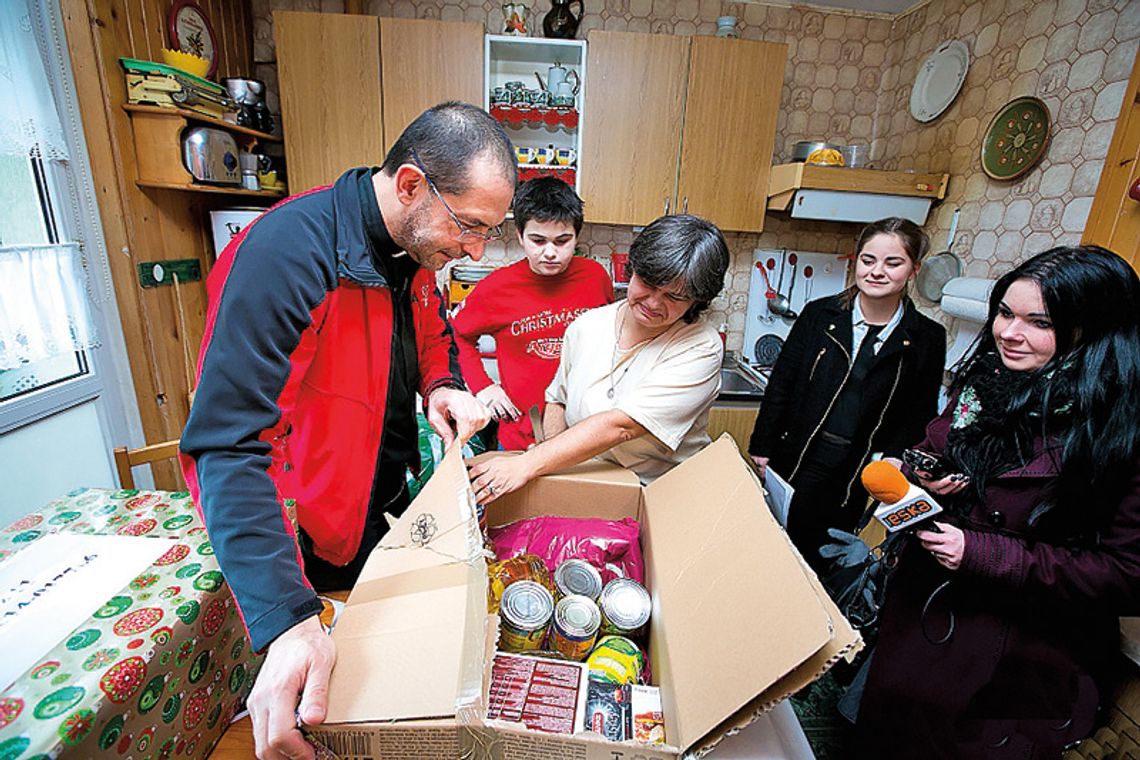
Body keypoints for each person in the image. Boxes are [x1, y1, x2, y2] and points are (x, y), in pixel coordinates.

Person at [179, 102, 515, 760]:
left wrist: (443, 386)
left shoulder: (415, 245)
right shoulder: (287, 254)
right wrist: (287, 618)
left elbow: (431, 328)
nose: (475, 250)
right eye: (471, 226)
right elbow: (227, 445)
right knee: (310, 692)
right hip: (303, 526)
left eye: (488, 232)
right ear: (413, 184)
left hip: (379, 502)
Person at [855, 246, 1140, 758]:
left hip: (1019, 651)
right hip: (925, 616)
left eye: (1040, 322)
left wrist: (985, 553)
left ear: (1092, 330)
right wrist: (920, 472)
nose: (1009, 332)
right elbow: (936, 443)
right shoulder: (985, 383)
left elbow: (1127, 573)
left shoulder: (1120, 429)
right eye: (1005, 313)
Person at [467, 214, 729, 502]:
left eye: (674, 297)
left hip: (661, 495)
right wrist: (548, 462)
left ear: (697, 300)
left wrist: (529, 463)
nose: (654, 303)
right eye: (648, 284)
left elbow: (622, 425)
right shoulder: (588, 325)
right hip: (592, 483)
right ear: (633, 270)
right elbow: (558, 398)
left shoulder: (701, 347)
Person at [747, 217, 946, 572]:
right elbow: (783, 383)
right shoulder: (819, 315)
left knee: (823, 559)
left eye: (893, 263)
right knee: (769, 550)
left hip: (857, 472)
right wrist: (762, 447)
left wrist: (899, 457)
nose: (877, 272)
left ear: (913, 270)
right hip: (798, 456)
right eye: (868, 260)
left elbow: (919, 412)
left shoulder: (926, 337)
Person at [452, 177, 613, 450]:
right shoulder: (496, 288)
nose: (550, 253)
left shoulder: (595, 277)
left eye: (562, 241)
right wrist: (483, 386)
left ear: (577, 236)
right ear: (520, 236)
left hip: (584, 433)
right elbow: (455, 333)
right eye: (538, 240)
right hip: (519, 436)